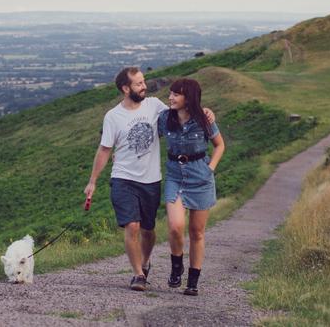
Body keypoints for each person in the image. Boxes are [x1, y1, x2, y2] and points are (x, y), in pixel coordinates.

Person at [84, 67, 214, 291]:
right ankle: (138, 275)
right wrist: (93, 181)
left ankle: (145, 262)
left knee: (148, 230)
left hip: (151, 179)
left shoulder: (155, 106)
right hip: (123, 177)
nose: (144, 87)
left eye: (144, 82)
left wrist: (206, 112)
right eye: (138, 84)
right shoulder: (113, 116)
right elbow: (104, 150)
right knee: (132, 226)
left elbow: (181, 115)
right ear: (126, 89)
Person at [157, 78, 225, 296]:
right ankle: (176, 268)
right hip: (175, 176)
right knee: (176, 226)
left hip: (200, 177)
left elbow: (219, 145)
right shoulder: (165, 118)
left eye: (176, 94)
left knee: (197, 232)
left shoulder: (204, 119)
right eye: (171, 93)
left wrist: (210, 168)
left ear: (189, 98)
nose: (170, 97)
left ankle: (193, 281)